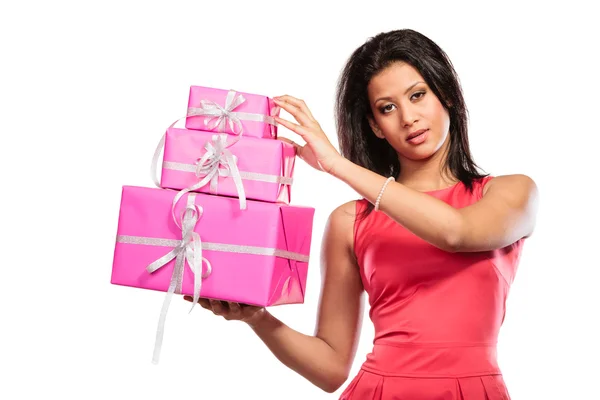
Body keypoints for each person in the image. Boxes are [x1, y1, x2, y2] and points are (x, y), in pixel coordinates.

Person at [183, 28, 539, 399]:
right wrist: (257, 318)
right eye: (387, 107)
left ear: (445, 95)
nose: (408, 117)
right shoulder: (350, 221)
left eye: (418, 95)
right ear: (375, 126)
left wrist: (336, 164)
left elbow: (456, 233)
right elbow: (331, 370)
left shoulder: (510, 192)